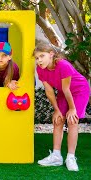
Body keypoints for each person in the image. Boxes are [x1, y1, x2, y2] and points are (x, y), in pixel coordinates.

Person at [34, 42, 90, 171]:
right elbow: (48, 91)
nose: (39, 60)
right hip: (64, 92)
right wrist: (57, 110)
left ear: (51, 54)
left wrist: (72, 109)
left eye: (42, 56)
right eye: (37, 58)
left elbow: (67, 89)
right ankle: (56, 156)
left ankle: (70, 157)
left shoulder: (63, 65)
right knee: (58, 120)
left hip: (79, 90)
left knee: (72, 120)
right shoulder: (40, 69)